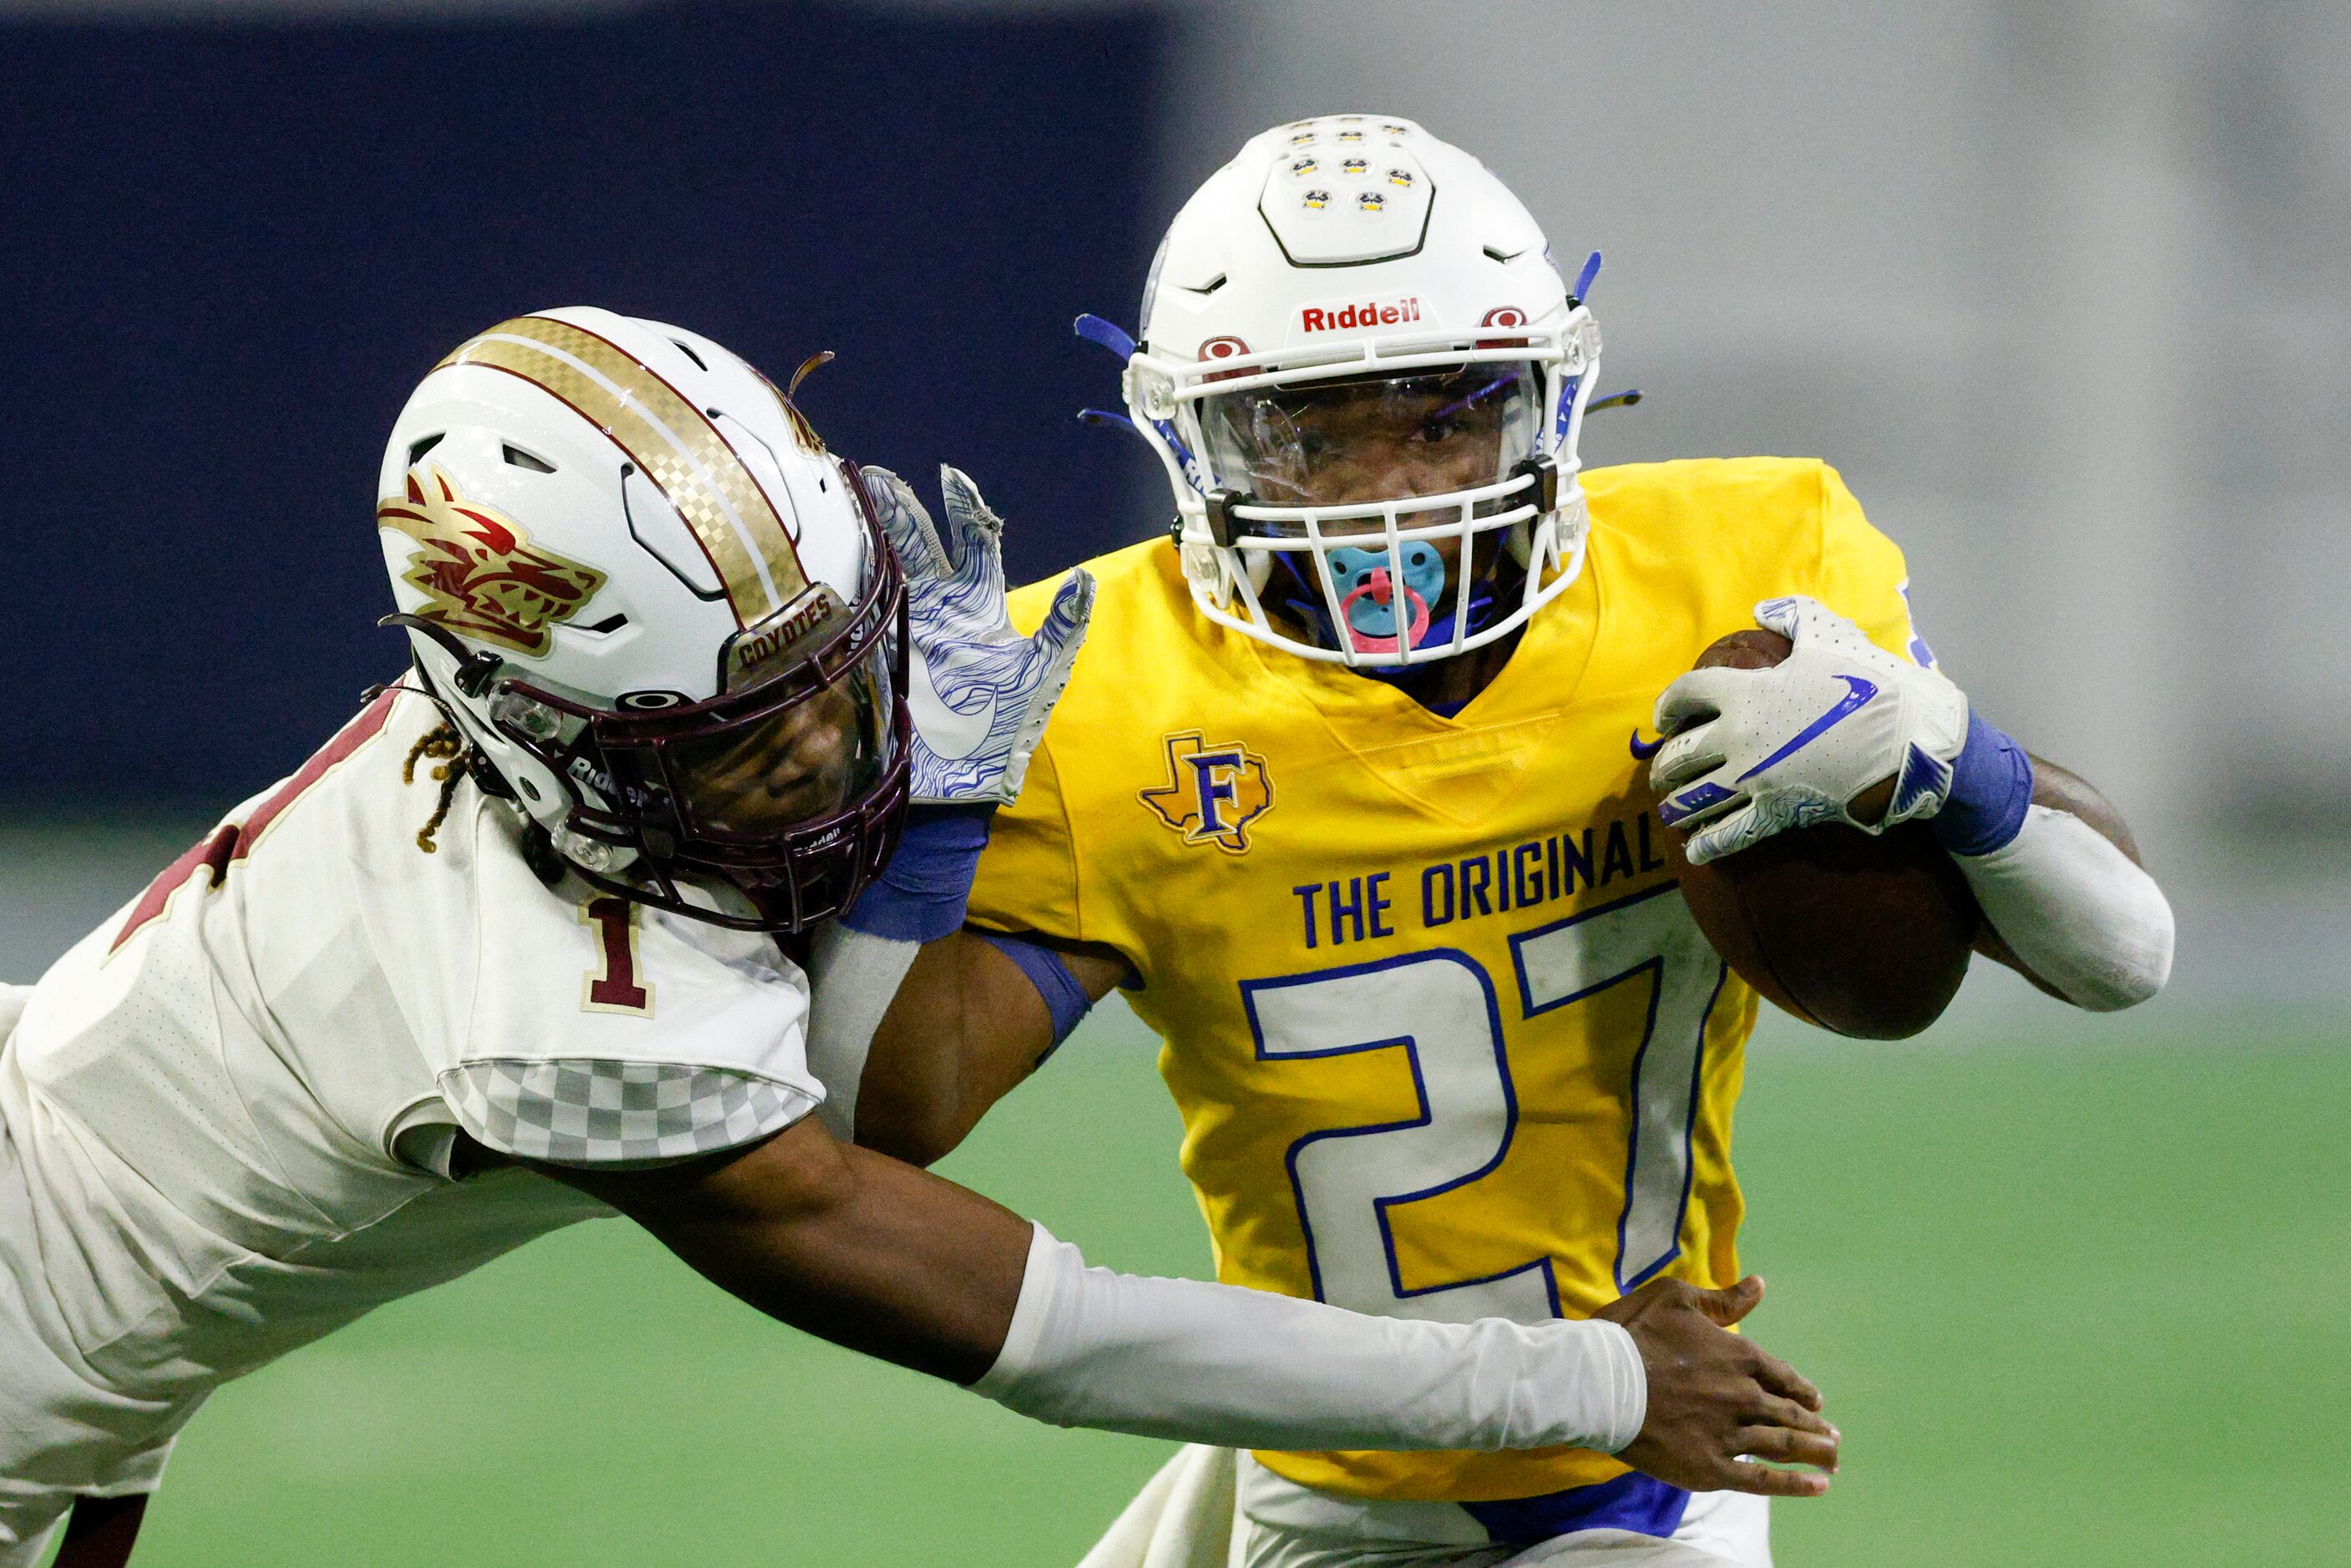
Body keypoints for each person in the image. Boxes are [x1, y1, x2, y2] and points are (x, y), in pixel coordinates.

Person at [0, 307, 1828, 1568]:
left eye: (829, 668)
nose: (825, 751)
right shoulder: (556, 1021)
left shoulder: (546, 695)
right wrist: (1585, 1377)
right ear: (532, 726)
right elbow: (1057, 1334)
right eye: (738, 736)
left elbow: (874, 1060)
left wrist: (928, 833)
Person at [850, 117, 2178, 1567]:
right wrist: (924, 827)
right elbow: (887, 1114)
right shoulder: (1098, 681)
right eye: (1311, 433)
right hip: (1317, 1472)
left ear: (1547, 403)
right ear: (1194, 439)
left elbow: (2123, 956)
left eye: (1440, 417)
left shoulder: (1734, 579)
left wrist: (1962, 764)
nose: (1384, 494)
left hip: (1637, 1474)